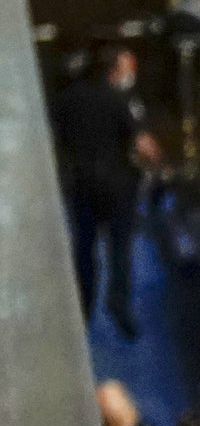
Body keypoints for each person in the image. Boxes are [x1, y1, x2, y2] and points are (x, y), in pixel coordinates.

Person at [56, 40, 163, 339]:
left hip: (81, 184)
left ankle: (83, 310)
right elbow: (143, 145)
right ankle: (119, 307)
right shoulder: (118, 101)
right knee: (120, 250)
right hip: (118, 185)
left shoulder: (66, 99)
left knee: (84, 251)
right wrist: (158, 164)